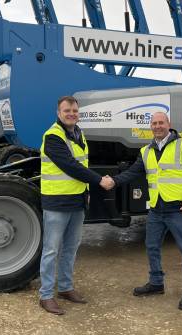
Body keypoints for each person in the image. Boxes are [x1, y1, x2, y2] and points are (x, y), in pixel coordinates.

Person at [106, 111, 182, 310]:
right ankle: (156, 283)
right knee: (151, 246)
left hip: (177, 209)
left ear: (168, 124)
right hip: (156, 210)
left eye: (161, 122)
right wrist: (114, 181)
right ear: (150, 127)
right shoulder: (146, 151)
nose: (158, 126)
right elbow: (133, 172)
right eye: (154, 123)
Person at [39, 96, 114, 315]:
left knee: (71, 248)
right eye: (67, 110)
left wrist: (87, 193)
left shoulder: (79, 134)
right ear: (58, 112)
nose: (71, 113)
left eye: (74, 110)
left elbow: (82, 165)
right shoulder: (53, 136)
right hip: (56, 202)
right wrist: (99, 180)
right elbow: (70, 166)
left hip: (77, 201)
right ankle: (45, 296)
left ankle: (65, 288)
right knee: (51, 250)